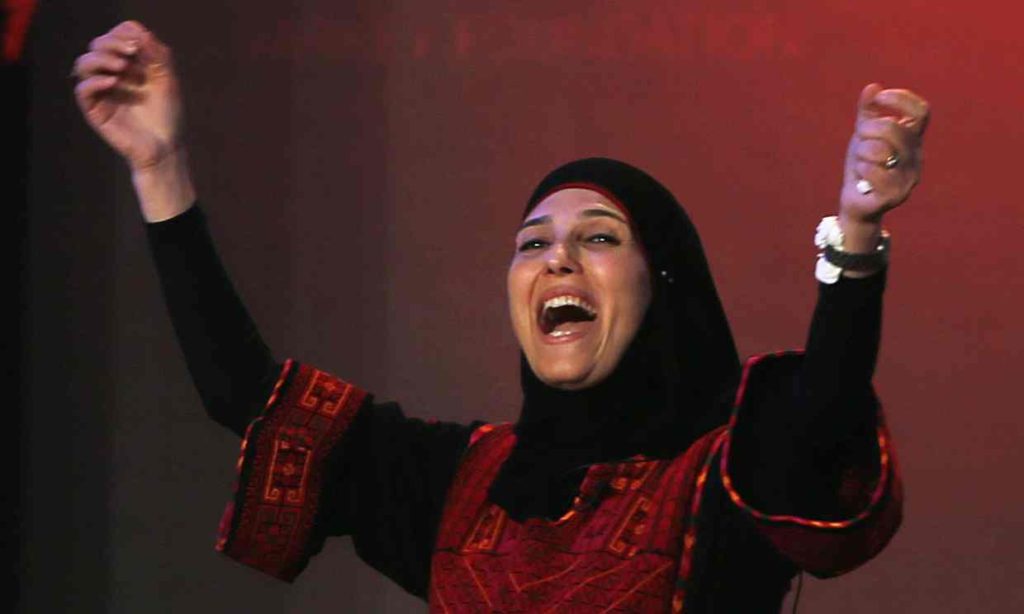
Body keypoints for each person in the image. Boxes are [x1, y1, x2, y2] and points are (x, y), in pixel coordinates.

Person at [73, 20, 929, 613]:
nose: (556, 259)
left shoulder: (721, 475)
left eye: (598, 238)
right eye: (531, 244)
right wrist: (161, 171)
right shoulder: (458, 482)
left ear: (663, 286)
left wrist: (856, 235)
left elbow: (826, 423)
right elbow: (247, 397)